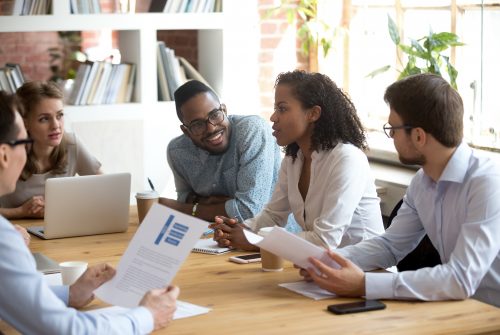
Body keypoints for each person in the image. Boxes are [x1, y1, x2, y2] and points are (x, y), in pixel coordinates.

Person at [299, 73, 500, 307]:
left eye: (393, 129)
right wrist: (327, 261)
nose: (391, 136)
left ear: (418, 136)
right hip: (460, 308)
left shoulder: (487, 183)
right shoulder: (422, 182)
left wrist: (364, 284)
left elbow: (460, 278)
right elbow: (391, 246)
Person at [0, 90, 180, 333]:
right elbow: (65, 330)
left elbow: (9, 293)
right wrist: (147, 316)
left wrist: (69, 293)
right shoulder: (4, 238)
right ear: (4, 154)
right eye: (24, 142)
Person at [211, 70, 384, 250]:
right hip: (322, 268)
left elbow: (325, 240)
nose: (273, 117)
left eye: (282, 109)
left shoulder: (346, 158)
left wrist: (257, 242)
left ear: (313, 114)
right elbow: (273, 215)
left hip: (368, 271)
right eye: (275, 108)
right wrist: (238, 230)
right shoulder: (294, 160)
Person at [160, 80, 281, 222]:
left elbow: (248, 211)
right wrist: (226, 206)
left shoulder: (252, 131)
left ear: (224, 110)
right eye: (197, 124)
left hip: (270, 237)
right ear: (186, 131)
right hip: (211, 236)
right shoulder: (177, 151)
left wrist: (181, 209)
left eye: (215, 115)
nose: (211, 128)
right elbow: (184, 196)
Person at [0, 81, 102, 219]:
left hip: (60, 225)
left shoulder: (72, 144)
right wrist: (20, 212)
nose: (56, 126)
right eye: (44, 119)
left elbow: (103, 187)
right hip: (16, 231)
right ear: (25, 123)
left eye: (59, 116)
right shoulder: (9, 152)